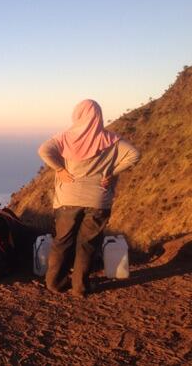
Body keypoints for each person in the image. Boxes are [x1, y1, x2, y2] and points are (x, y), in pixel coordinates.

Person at [38, 99, 140, 297]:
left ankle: (54, 283)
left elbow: (43, 150)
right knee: (87, 244)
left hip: (68, 198)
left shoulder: (66, 137)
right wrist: (111, 171)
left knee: (62, 241)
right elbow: (134, 154)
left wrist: (60, 169)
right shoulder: (110, 139)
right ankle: (80, 287)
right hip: (97, 200)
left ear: (77, 115)